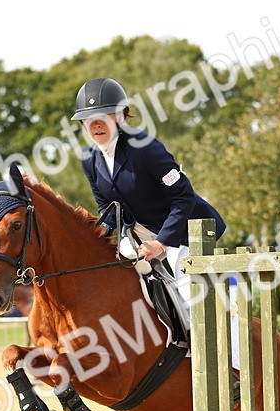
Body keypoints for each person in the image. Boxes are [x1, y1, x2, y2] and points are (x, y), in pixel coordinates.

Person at [73, 77, 226, 335]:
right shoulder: (89, 158)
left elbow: (184, 196)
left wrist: (162, 243)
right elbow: (107, 208)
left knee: (192, 297)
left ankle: (228, 348)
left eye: (103, 116)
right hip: (139, 236)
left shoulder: (145, 147)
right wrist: (97, 233)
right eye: (89, 119)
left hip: (184, 232)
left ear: (120, 116)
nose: (96, 124)